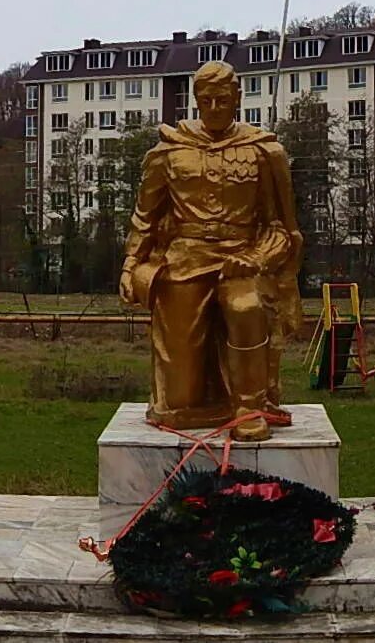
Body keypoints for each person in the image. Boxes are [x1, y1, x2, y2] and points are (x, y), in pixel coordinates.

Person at [119, 60, 303, 441]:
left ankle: (249, 406)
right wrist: (130, 265)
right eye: (207, 101)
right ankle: (189, 402)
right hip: (184, 263)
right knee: (181, 400)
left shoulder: (263, 151)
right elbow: (145, 217)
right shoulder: (169, 151)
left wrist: (257, 258)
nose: (215, 108)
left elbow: (281, 229)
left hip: (242, 260)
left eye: (223, 100)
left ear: (237, 97)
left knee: (245, 306)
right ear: (195, 101)